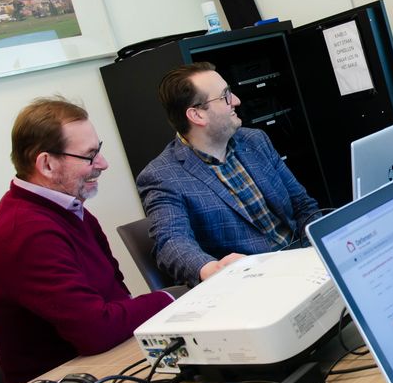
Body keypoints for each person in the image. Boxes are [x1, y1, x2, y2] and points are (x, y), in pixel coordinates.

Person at [0, 97, 172, 383]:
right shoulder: (27, 231)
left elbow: (117, 296)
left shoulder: (67, 209)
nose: (103, 164)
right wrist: (172, 298)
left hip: (105, 369)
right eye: (89, 155)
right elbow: (96, 330)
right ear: (46, 164)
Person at [137, 62, 321, 286]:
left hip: (305, 262)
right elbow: (171, 242)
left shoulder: (255, 141)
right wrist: (211, 269)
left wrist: (321, 244)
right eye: (225, 96)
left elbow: (302, 204)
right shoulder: (163, 176)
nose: (236, 101)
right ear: (197, 115)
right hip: (256, 283)